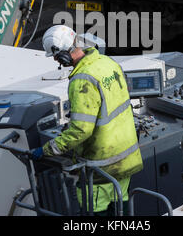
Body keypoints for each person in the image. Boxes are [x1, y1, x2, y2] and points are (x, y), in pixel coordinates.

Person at [32, 25, 143, 215]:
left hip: (101, 167)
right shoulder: (108, 63)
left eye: (57, 57)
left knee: (95, 212)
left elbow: (81, 130)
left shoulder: (82, 80)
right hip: (126, 158)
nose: (58, 61)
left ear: (63, 55)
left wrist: (48, 149)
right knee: (121, 209)